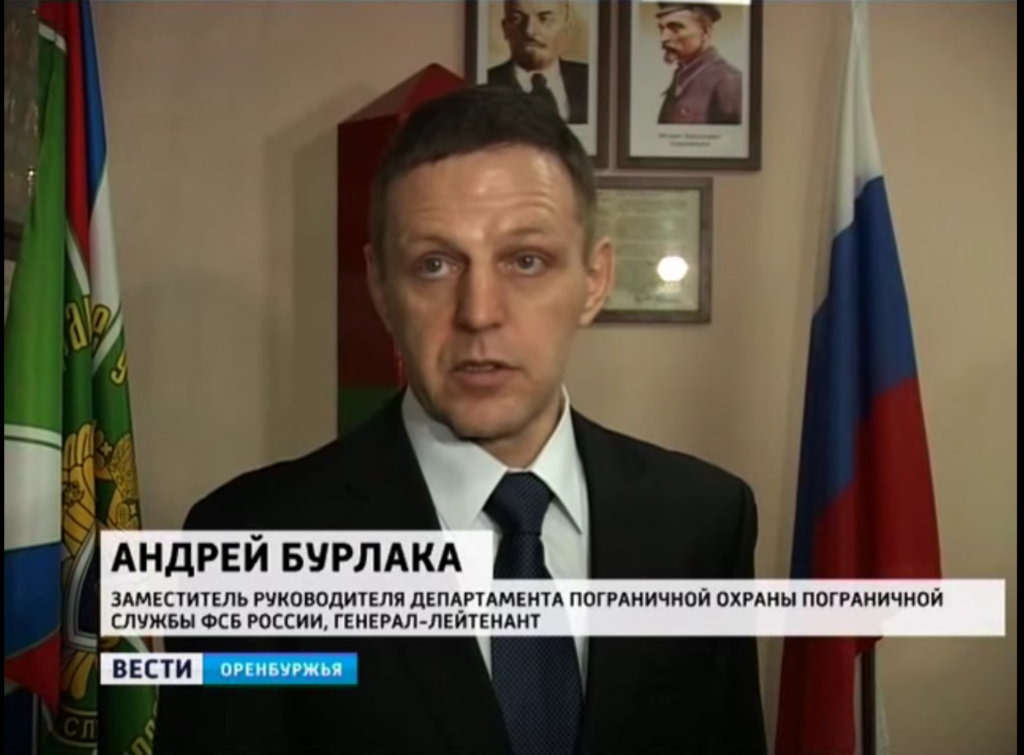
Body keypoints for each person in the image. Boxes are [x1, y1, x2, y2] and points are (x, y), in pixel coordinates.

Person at [153, 85, 767, 754]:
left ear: (595, 279)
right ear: (381, 287)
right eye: (435, 265)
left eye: (526, 261)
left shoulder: (705, 519)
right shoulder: (246, 541)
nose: (478, 312)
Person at [488, 0, 589, 124]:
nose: (529, 30)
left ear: (567, 28)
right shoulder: (486, 85)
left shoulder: (591, 80)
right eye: (516, 18)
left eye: (545, 19)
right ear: (505, 29)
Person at [654, 2, 743, 125]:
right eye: (661, 29)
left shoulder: (729, 81)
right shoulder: (682, 76)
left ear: (706, 32)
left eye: (675, 28)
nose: (663, 38)